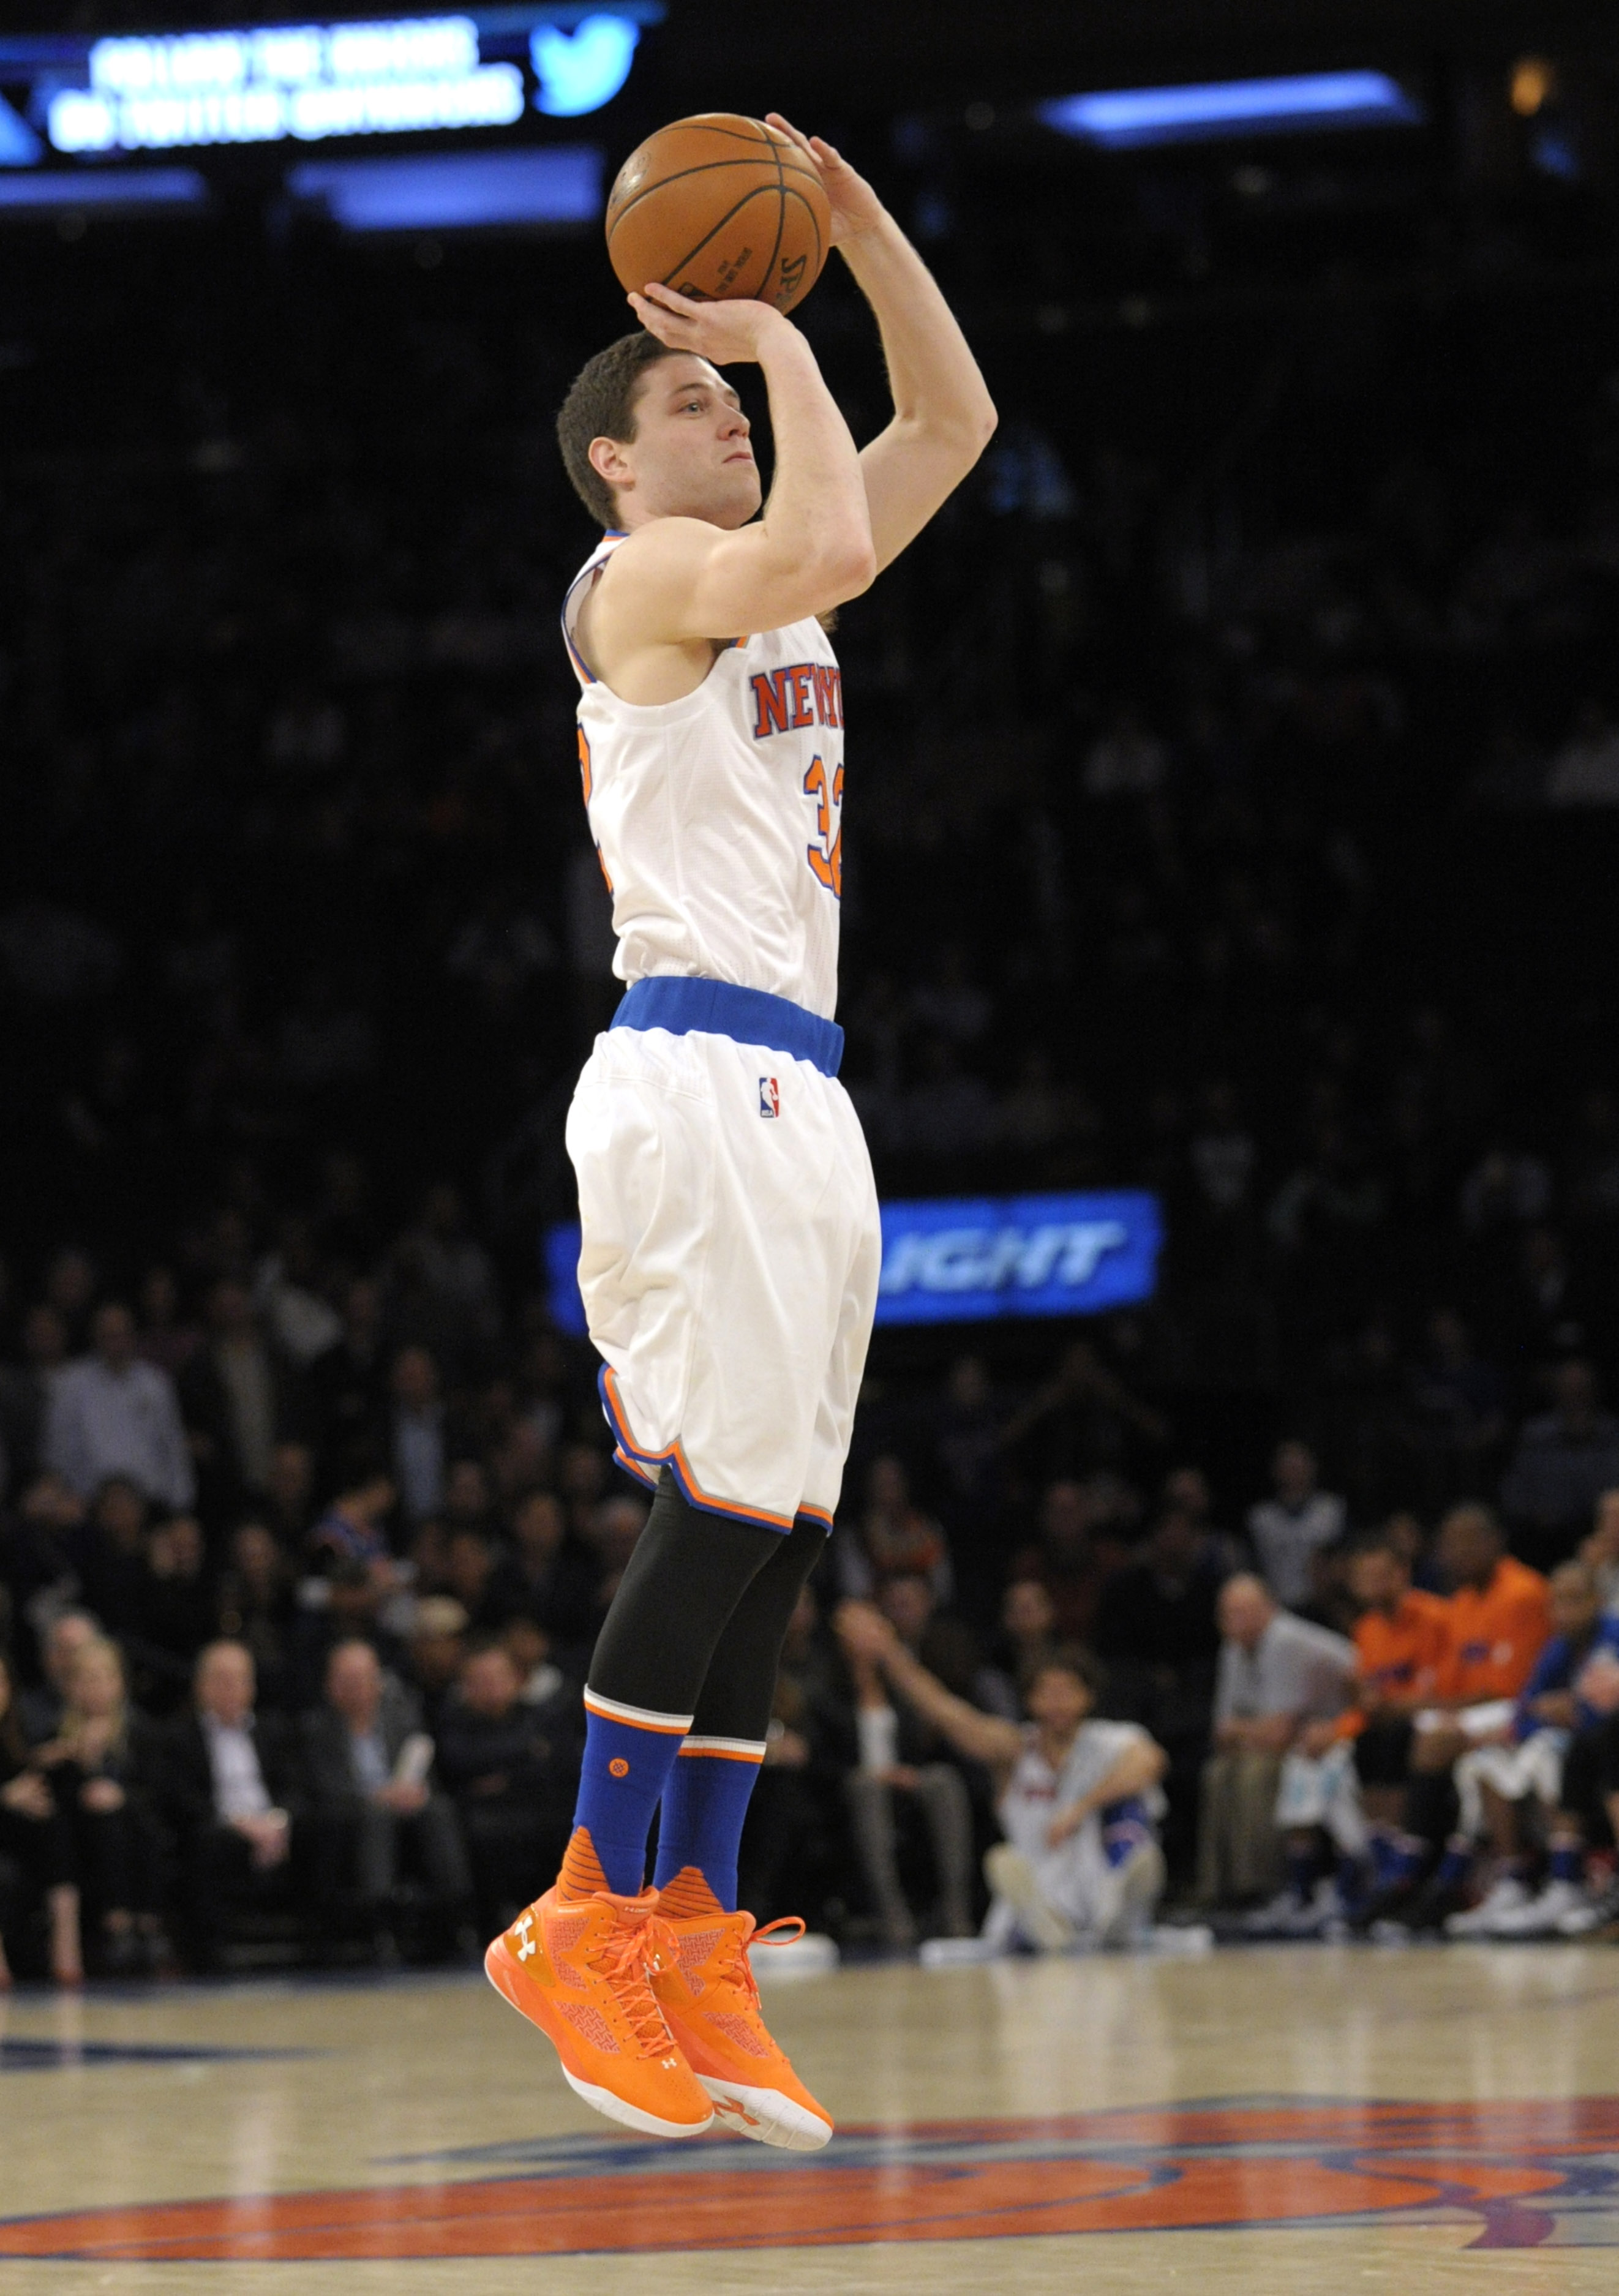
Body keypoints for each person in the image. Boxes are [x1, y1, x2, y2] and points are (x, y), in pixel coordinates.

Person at [483, 113, 994, 2152]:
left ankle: (691, 1929)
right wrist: (769, 324)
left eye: (736, 390)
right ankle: (579, 1914)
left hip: (808, 1083)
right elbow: (840, 534)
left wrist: (851, 229)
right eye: (697, 397)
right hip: (690, 1071)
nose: (740, 412)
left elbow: (948, 421)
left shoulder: (774, 593)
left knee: (779, 1528)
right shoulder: (640, 588)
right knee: (713, 1507)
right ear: (619, 453)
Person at [836, 1602, 1168, 1952]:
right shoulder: (1014, 1750)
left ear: (1088, 1697)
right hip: (1039, 1886)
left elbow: (1150, 1764)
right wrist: (890, 1653)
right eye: (1047, 1693)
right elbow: (946, 1711)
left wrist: (1079, 1808)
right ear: (1030, 1700)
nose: (1057, 1703)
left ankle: (1120, 1913)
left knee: (1131, 1812)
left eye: (1067, 1691)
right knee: (1009, 1872)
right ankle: (1044, 1924)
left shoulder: (1114, 1739)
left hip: (1101, 1884)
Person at [300, 1638, 472, 1959]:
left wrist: (415, 1792)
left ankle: (453, 1913)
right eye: (347, 1681)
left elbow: (424, 1769)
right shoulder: (317, 1728)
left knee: (439, 1810)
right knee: (376, 1818)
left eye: (363, 1679)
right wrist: (377, 1797)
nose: (356, 1689)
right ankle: (379, 1922)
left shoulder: (401, 1719)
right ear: (331, 1686)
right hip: (353, 1816)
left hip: (405, 1808)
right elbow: (323, 1788)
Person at [1197, 1575, 1355, 1909]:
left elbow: (1277, 1734)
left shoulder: (1285, 1642)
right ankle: (1219, 1890)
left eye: (1243, 1612)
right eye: (1227, 1614)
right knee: (1217, 1773)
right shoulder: (1235, 1648)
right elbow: (1221, 1729)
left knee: (1255, 1773)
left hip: (1343, 1735)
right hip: (1296, 1739)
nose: (1232, 1622)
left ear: (1268, 1610)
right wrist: (1250, 1732)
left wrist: (1244, 1731)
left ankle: (1264, 1887)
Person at [154, 1641, 305, 1973]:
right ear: (201, 1686)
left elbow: (294, 1788)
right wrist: (241, 1825)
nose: (231, 1688)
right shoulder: (179, 1736)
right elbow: (183, 1800)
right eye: (221, 1679)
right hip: (221, 1830)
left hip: (273, 1827)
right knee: (206, 1843)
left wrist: (275, 1825)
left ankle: (322, 1950)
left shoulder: (275, 1731)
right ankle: (211, 1957)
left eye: (239, 1679)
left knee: (320, 1831)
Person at [43, 1301, 194, 1513]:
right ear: (95, 1337)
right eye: (109, 1335)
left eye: (122, 1334)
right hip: (91, 1503)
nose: (117, 1342)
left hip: (150, 1501)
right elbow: (59, 1450)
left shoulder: (155, 1383)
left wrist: (181, 1503)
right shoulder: (70, 1384)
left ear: (133, 1336)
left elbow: (172, 1446)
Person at [1245, 1441, 1347, 1615]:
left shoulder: (1331, 1510)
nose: (1294, 1471)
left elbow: (1343, 1560)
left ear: (1312, 1467)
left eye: (1299, 1464)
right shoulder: (1260, 1518)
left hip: (1323, 1607)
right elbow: (1252, 1567)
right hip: (1276, 1607)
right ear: (1275, 1471)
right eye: (1288, 1465)